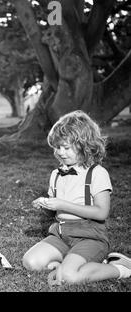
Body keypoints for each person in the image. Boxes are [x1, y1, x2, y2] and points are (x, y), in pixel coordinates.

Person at [22, 110, 131, 285]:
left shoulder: (97, 173)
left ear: (84, 145)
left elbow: (102, 212)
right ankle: (69, 262)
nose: (61, 152)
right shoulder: (55, 174)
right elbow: (57, 209)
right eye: (57, 147)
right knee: (30, 262)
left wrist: (63, 204)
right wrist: (46, 205)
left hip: (90, 237)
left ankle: (120, 267)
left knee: (68, 277)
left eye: (66, 147)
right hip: (61, 235)